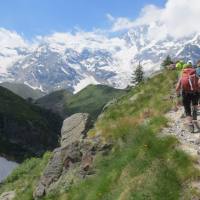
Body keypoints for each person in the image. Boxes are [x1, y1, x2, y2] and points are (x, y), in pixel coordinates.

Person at [176, 62, 200, 133]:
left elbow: (177, 88)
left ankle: (190, 126)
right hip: (196, 93)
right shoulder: (195, 74)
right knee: (195, 106)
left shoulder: (182, 75)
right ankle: (195, 117)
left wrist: (178, 95)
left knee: (187, 110)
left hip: (185, 94)